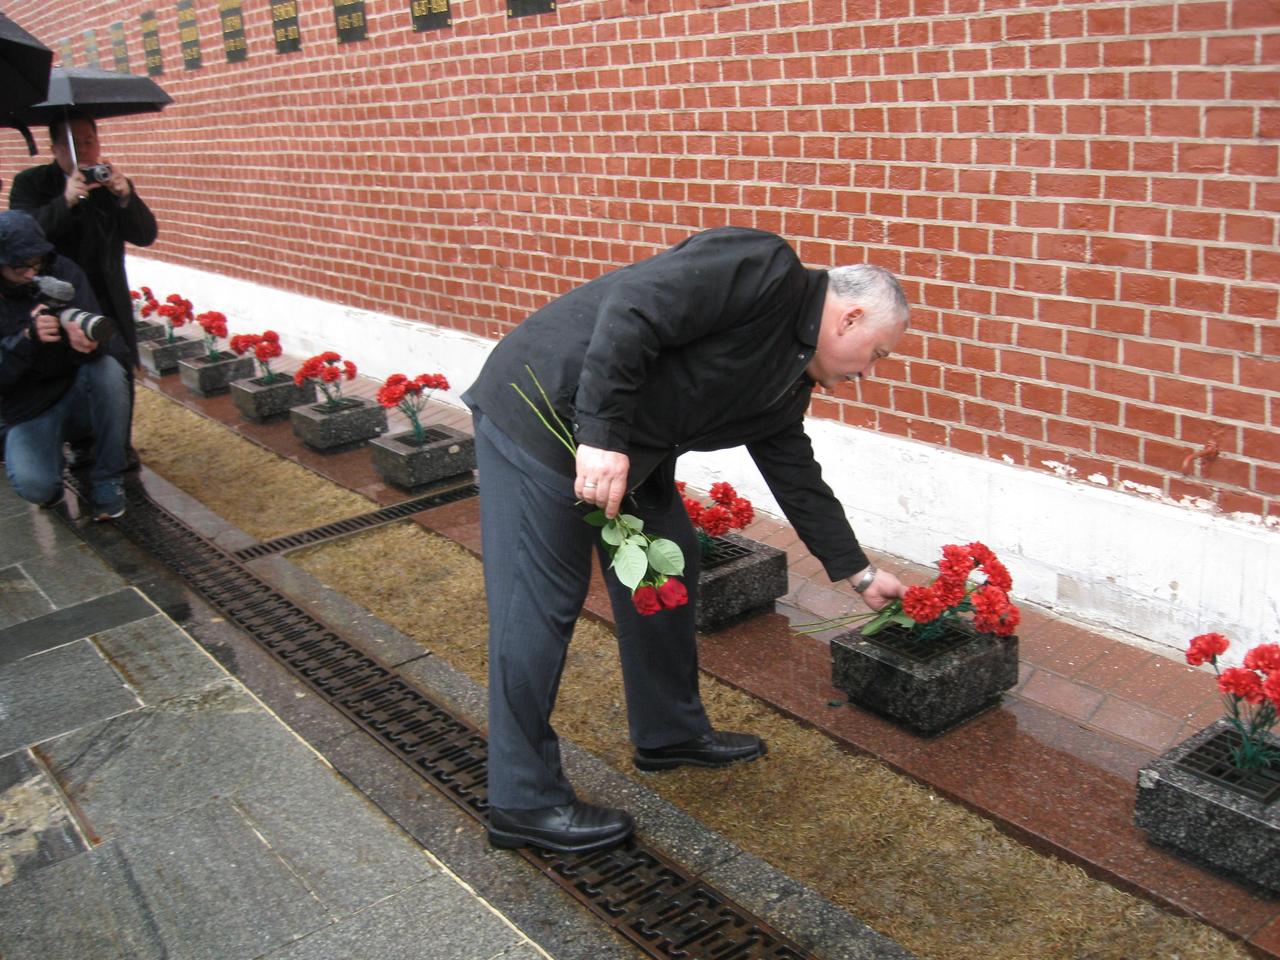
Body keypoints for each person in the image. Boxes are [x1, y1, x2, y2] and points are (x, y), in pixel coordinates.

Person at [462, 226, 911, 854]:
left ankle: (668, 731)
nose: (868, 372)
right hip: (539, 415)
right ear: (851, 316)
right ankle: (523, 802)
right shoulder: (764, 267)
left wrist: (857, 573)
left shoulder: (787, 380)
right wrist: (599, 435)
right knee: (537, 608)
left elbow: (794, 472)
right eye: (877, 353)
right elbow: (634, 308)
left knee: (666, 573)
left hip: (621, 450)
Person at [9, 112, 157, 468]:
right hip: (57, 295)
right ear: (56, 147)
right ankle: (81, 441)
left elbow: (145, 234)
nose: (85, 150)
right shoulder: (32, 183)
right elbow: (24, 238)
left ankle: (119, 444)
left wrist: (125, 197)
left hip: (107, 292)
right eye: (75, 143)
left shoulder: (107, 182)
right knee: (73, 366)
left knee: (117, 365)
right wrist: (66, 201)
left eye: (90, 140)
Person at [0, 210, 130, 520]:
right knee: (39, 489)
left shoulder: (64, 271)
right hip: (27, 409)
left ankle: (108, 478)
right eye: (21, 265)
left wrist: (87, 342)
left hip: (74, 391)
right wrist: (26, 339)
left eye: (37, 262)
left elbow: (110, 342)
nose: (32, 272)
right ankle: (47, 461)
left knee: (110, 371)